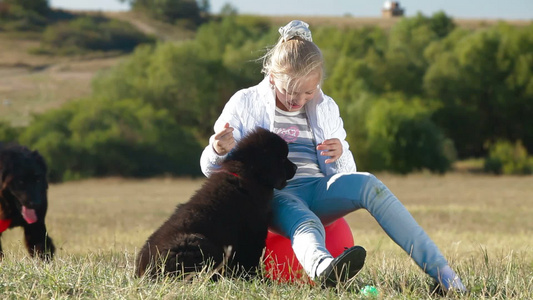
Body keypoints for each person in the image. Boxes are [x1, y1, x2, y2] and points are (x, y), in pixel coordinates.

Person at [200, 20, 467, 292]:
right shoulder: (245, 102)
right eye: (290, 92)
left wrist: (340, 154)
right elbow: (213, 170)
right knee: (305, 220)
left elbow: (345, 172)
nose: (298, 100)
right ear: (271, 76)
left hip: (318, 188)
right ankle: (324, 268)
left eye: (308, 91)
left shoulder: (326, 107)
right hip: (276, 195)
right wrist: (217, 150)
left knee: (369, 184)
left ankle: (444, 275)